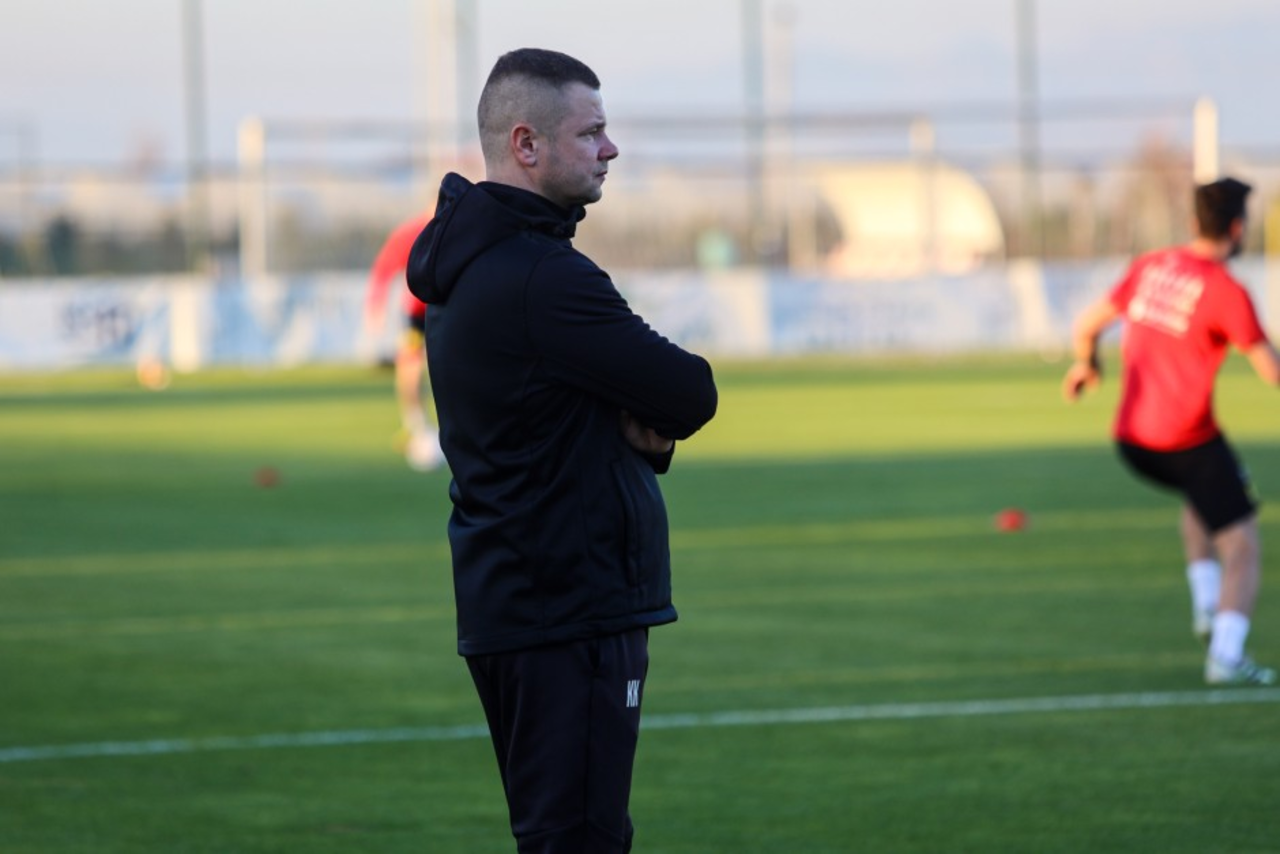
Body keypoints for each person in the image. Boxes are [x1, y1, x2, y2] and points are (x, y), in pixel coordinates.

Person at [405, 48, 718, 852]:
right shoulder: (541, 275)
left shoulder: (469, 264)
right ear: (527, 144)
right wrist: (634, 421)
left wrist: (621, 421)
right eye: (591, 132)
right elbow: (690, 394)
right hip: (568, 606)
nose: (610, 149)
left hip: (515, 599)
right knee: (578, 840)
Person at [1063, 176, 1278, 686]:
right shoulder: (1226, 291)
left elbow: (1086, 325)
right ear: (1238, 228)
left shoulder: (1151, 265)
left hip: (1132, 441)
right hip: (1184, 441)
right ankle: (1226, 655)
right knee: (1243, 546)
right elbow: (1272, 372)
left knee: (1203, 493)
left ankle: (1206, 605)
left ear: (1192, 222)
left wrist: (1087, 366)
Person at [364, 212, 442, 471]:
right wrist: (376, 307)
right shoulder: (411, 232)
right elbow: (384, 268)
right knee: (411, 366)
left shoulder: (460, 226)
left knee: (451, 368)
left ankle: (453, 426)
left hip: (449, 309)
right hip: (417, 313)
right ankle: (415, 424)